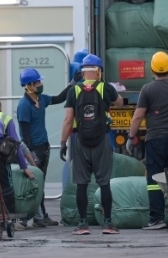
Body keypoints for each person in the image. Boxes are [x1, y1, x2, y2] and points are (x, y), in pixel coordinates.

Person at [126, 52, 168, 230]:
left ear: (152, 69)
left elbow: (138, 116)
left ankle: (156, 218)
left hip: (155, 140)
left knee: (154, 180)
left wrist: (131, 136)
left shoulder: (147, 89)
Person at [60, 53, 123, 235]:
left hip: (80, 141)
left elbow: (67, 120)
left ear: (82, 72)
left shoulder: (74, 91)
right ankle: (108, 223)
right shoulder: (105, 88)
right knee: (104, 183)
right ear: (98, 71)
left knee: (81, 184)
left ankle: (83, 224)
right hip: (101, 140)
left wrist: (63, 142)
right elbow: (119, 102)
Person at [16, 67, 72, 227]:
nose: (41, 84)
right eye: (38, 82)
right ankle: (29, 217)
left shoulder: (41, 100)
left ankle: (41, 216)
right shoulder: (24, 106)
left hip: (44, 146)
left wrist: (73, 83)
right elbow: (25, 134)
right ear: (29, 86)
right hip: (33, 149)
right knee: (33, 184)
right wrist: (31, 154)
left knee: (40, 182)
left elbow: (59, 98)